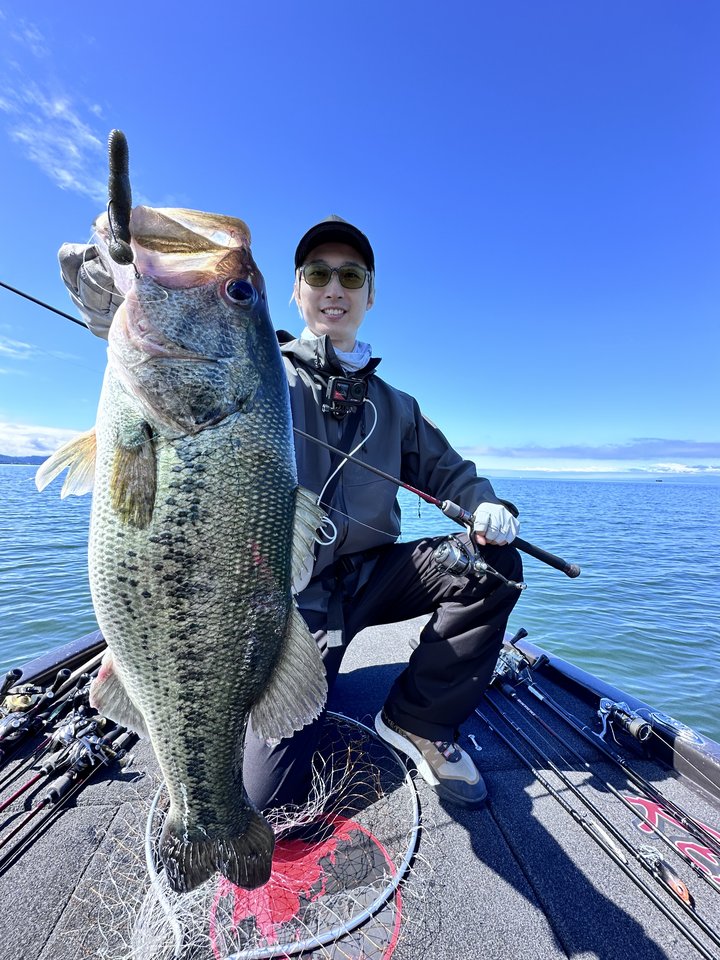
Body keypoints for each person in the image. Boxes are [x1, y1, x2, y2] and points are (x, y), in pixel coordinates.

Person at [58, 215, 523, 810]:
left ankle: (418, 720)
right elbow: (164, 349)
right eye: (318, 274)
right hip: (286, 601)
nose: (335, 287)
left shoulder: (398, 407)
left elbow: (450, 473)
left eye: (350, 275)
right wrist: (112, 294)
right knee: (264, 797)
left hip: (374, 577)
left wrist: (486, 504)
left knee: (494, 565)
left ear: (370, 294)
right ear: (298, 291)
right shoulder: (262, 371)